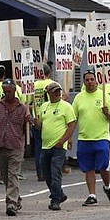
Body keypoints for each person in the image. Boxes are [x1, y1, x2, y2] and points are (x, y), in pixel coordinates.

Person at [72, 70, 110, 206]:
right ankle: (92, 195)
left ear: (96, 81)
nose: (90, 82)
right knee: (88, 168)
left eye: (92, 79)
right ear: (84, 82)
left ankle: (107, 187)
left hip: (101, 137)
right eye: (87, 80)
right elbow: (73, 119)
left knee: (104, 165)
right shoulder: (79, 98)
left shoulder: (104, 96)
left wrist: (107, 113)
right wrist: (69, 138)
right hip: (84, 138)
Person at [0, 78, 30, 216]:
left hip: (16, 146)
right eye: (5, 91)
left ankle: (11, 203)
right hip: (1, 145)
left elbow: (29, 128)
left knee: (13, 174)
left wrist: (29, 121)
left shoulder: (23, 108)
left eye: (10, 91)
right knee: (5, 176)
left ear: (14, 91)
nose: (7, 94)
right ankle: (15, 198)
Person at [34, 82, 76, 210]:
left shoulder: (66, 106)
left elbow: (72, 124)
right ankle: (59, 194)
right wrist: (36, 123)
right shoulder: (43, 107)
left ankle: (55, 200)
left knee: (55, 171)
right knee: (46, 173)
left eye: (59, 91)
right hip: (45, 146)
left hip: (58, 146)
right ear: (48, 93)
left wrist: (64, 140)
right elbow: (40, 126)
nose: (58, 93)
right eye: (54, 91)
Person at [31, 64, 53, 182]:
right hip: (50, 119)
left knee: (39, 147)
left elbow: (28, 103)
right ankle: (51, 170)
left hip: (37, 119)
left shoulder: (33, 85)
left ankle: (40, 172)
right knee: (52, 146)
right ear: (49, 73)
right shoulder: (53, 84)